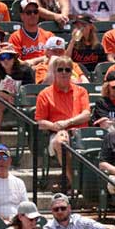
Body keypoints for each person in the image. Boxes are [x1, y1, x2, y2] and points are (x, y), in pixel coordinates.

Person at [35, 56, 91, 192]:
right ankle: (75, 184)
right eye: (60, 69)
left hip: (80, 132)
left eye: (67, 69)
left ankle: (85, 184)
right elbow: (40, 122)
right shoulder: (44, 94)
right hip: (56, 131)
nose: (64, 73)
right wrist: (54, 126)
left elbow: (86, 115)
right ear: (54, 72)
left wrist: (68, 122)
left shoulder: (81, 91)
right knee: (61, 141)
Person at [0, 44, 36, 126]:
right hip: (5, 99)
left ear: (14, 58)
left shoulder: (26, 70)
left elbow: (30, 90)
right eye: (2, 58)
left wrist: (18, 97)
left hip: (23, 97)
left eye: (9, 57)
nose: (6, 60)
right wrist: (8, 97)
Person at [0, 144, 29, 221]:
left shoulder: (19, 182)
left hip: (20, 221)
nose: (1, 161)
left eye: (5, 157)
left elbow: (26, 207)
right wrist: (7, 220)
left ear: (10, 161)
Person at [9, 0, 55, 64]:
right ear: (22, 16)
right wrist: (39, 60)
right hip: (27, 72)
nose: (33, 15)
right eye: (28, 12)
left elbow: (56, 57)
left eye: (35, 12)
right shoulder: (15, 37)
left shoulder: (49, 36)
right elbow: (16, 63)